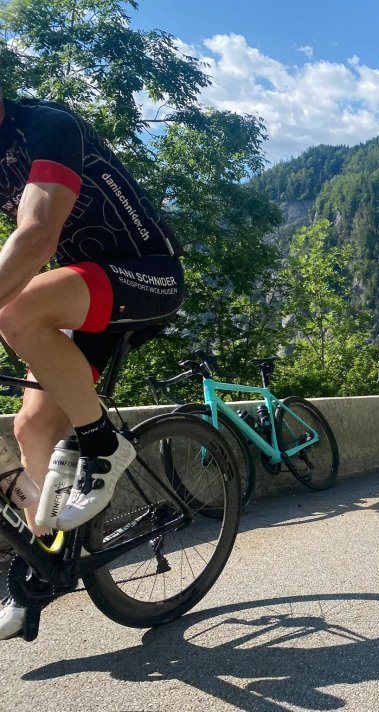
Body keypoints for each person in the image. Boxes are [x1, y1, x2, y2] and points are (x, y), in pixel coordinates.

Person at [0, 90, 185, 639]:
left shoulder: (46, 127)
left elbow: (37, 235)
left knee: (16, 312)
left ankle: (103, 443)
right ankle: (44, 565)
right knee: (32, 427)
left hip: (147, 272)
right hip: (82, 295)